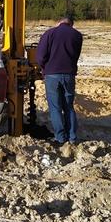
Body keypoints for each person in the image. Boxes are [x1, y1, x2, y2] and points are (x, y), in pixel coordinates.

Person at [37, 16, 83, 145]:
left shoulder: (49, 33)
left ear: (59, 22)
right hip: (69, 75)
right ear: (71, 24)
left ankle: (60, 137)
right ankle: (72, 137)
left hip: (52, 75)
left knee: (55, 108)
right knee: (69, 107)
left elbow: (40, 56)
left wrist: (43, 68)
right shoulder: (77, 35)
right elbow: (76, 55)